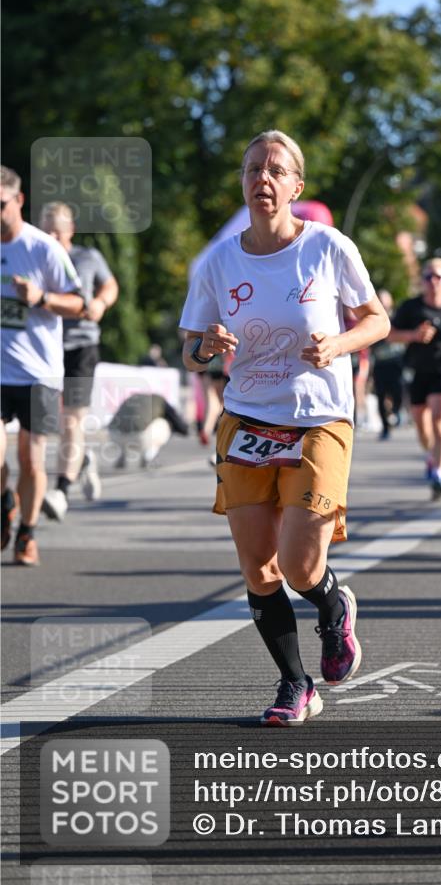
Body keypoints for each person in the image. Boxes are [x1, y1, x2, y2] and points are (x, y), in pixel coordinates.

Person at [179, 130, 389, 726]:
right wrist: (206, 347)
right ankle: (296, 684)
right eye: (253, 169)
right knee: (259, 568)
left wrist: (339, 344)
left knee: (299, 566)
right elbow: (190, 352)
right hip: (246, 418)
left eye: (275, 171)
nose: (262, 180)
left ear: (296, 186)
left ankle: (332, 603)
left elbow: (376, 319)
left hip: (318, 417)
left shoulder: (328, 246)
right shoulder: (218, 262)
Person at [1, 167, 83, 565]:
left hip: (39, 374)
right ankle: (5, 502)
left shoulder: (44, 248)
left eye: (1, 204)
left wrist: (40, 298)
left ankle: (27, 534)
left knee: (31, 460)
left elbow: (79, 303)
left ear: (19, 201)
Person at [38, 202, 118, 520]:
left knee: (71, 419)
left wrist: (100, 302)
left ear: (71, 229)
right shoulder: (34, 258)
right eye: (46, 232)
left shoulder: (88, 257)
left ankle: (60, 491)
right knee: (49, 422)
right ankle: (81, 457)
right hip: (43, 348)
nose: (52, 238)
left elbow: (110, 285)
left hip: (80, 346)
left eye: (57, 232)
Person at [388, 257, 441, 498]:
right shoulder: (411, 307)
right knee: (423, 428)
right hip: (418, 370)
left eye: (438, 276)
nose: (433, 281)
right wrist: (413, 335)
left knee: (440, 421)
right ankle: (432, 456)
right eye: (428, 276)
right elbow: (390, 335)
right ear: (422, 281)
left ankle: (439, 475)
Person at [108, 392, 189, 468]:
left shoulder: (132, 398)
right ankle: (148, 456)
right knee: (164, 424)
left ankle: (122, 455)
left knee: (127, 423)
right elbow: (176, 421)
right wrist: (185, 431)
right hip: (139, 437)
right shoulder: (160, 401)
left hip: (114, 435)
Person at [370, 289, 405, 440]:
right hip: (380, 362)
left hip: (396, 361)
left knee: (398, 391)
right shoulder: (373, 318)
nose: (384, 303)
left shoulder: (397, 317)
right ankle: (385, 427)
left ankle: (396, 411)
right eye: (381, 299)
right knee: (381, 394)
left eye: (386, 300)